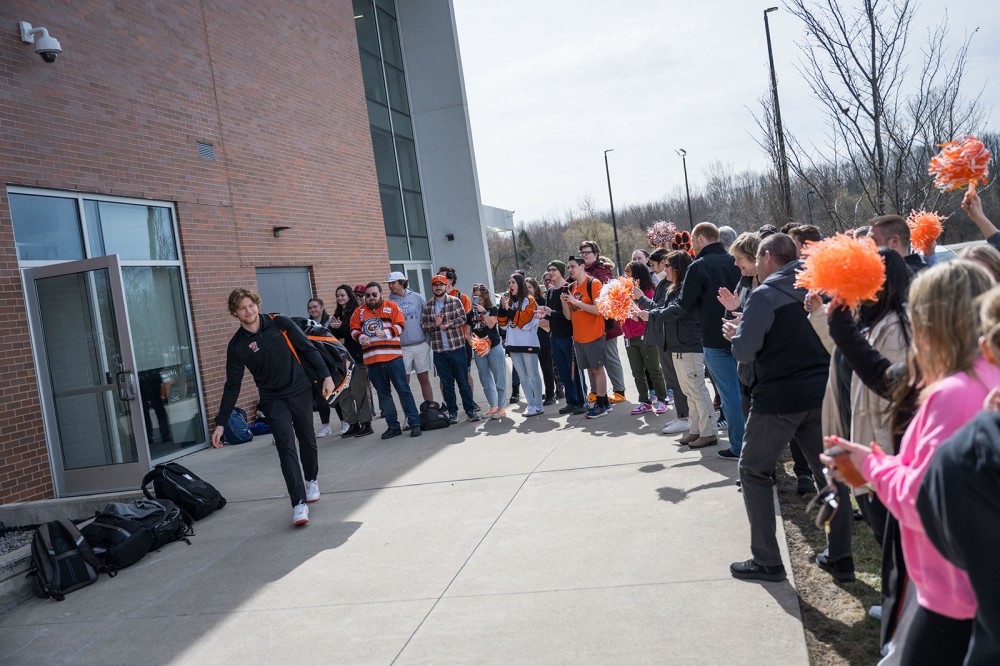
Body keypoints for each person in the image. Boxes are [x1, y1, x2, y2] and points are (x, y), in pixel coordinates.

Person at [822, 260, 997, 665]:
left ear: (930, 320)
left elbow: (927, 499)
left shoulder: (953, 392)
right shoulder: (989, 375)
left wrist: (871, 467)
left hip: (950, 593)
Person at [725, 234, 849, 583]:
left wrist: (735, 334)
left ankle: (766, 560)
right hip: (821, 393)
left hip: (777, 398)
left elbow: (745, 351)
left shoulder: (765, 295)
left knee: (753, 471)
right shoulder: (821, 286)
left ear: (766, 257)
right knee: (830, 474)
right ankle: (841, 556)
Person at [212, 288, 333, 526]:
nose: (249, 311)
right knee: (286, 447)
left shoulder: (279, 323)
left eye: (251, 305)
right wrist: (221, 423)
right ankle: (298, 503)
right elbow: (232, 386)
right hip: (272, 399)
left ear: (257, 304)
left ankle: (311, 480)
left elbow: (307, 348)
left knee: (307, 439)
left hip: (299, 390)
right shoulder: (237, 346)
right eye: (242, 308)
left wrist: (326, 376)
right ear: (235, 313)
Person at [659, 222, 744, 459]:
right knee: (744, 392)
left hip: (714, 339)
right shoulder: (735, 262)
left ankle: (739, 446)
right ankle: (753, 443)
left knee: (729, 396)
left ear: (699, 239)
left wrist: (655, 314)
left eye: (694, 243)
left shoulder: (699, 266)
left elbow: (685, 305)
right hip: (742, 332)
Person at [638, 251, 715, 445]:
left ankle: (709, 432)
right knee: (689, 392)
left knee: (697, 390)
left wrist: (651, 315)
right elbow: (662, 308)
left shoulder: (685, 288)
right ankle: (696, 430)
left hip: (689, 344)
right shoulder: (674, 288)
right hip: (677, 345)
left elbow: (675, 311)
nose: (665, 270)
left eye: (668, 266)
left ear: (677, 267)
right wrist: (645, 313)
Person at [350, 282, 422, 439]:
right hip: (373, 360)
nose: (371, 298)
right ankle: (392, 426)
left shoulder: (392, 306)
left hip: (393, 357)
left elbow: (401, 325)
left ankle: (415, 423)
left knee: (403, 390)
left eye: (374, 294)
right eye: (367, 295)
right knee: (383, 395)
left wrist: (386, 333)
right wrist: (361, 337)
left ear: (380, 294)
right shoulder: (358, 312)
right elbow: (353, 330)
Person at [633, 248, 690, 432]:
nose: (654, 268)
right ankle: (682, 416)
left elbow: (661, 309)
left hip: (671, 336)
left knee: (676, 379)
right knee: (672, 378)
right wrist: (643, 310)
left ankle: (685, 416)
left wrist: (642, 300)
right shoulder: (664, 283)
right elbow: (659, 308)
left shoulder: (671, 284)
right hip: (664, 335)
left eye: (655, 264)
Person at [421, 275, 480, 423]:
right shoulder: (428, 306)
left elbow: (463, 318)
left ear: (446, 286)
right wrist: (436, 324)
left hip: (457, 348)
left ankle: (470, 411)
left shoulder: (455, 301)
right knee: (447, 385)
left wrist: (448, 324)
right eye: (435, 285)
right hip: (439, 352)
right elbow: (424, 325)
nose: (438, 287)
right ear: (432, 287)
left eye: (441, 285)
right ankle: (453, 413)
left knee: (463, 382)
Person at [563, 256, 611, 418]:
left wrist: (576, 303)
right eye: (568, 267)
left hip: (594, 334)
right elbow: (569, 317)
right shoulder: (572, 287)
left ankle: (600, 404)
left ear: (582, 266)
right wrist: (565, 302)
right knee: (592, 370)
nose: (569, 270)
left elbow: (599, 310)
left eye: (572, 266)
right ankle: (604, 403)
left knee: (598, 369)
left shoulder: (594, 283)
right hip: (579, 336)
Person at [579, 240, 627, 403]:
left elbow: (607, 294)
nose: (584, 256)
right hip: (587, 325)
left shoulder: (603, 271)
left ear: (596, 254)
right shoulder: (580, 271)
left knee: (610, 357)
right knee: (592, 361)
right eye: (582, 253)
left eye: (587, 253)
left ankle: (619, 390)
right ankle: (595, 392)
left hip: (606, 323)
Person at [537, 260, 587, 415]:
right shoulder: (550, 292)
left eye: (554, 270)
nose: (551, 273)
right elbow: (551, 315)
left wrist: (551, 312)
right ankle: (571, 401)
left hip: (568, 335)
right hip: (555, 336)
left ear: (561, 271)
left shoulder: (568, 289)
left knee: (574, 371)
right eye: (549, 270)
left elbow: (569, 316)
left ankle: (582, 401)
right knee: (563, 371)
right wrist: (543, 313)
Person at [622, 261, 668, 416]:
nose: (625, 275)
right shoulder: (622, 292)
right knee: (637, 372)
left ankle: (662, 399)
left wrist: (639, 318)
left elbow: (652, 311)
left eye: (628, 272)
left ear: (637, 274)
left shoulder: (648, 291)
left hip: (645, 335)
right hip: (629, 336)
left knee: (654, 369)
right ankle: (644, 401)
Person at [499, 273, 545, 417]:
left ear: (519, 283)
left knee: (533, 375)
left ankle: (538, 405)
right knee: (523, 377)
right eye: (509, 282)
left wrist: (509, 310)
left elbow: (524, 323)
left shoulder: (529, 300)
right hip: (513, 345)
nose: (510, 285)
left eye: (513, 282)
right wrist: (502, 308)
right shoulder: (509, 303)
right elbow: (503, 325)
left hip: (528, 343)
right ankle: (530, 404)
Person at [387, 272, 434, 404]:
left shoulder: (417, 297)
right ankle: (409, 416)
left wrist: (427, 342)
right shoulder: (388, 302)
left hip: (421, 345)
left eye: (393, 283)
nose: (390, 286)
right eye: (389, 284)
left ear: (402, 282)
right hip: (401, 348)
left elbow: (427, 318)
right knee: (404, 384)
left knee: (424, 379)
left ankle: (431, 410)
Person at [306, 296, 347, 438]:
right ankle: (325, 426)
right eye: (310, 307)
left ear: (322, 307)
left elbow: (339, 340)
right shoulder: (307, 325)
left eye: (315, 306)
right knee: (320, 395)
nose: (313, 309)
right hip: (317, 364)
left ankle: (344, 422)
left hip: (333, 363)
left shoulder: (332, 321)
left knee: (335, 392)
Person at [468, 284, 508, 419]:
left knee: (499, 377)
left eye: (480, 296)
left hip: (494, 346)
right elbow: (467, 333)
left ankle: (502, 407)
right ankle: (493, 406)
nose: (477, 298)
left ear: (485, 296)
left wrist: (483, 311)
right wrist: (472, 341)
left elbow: (491, 324)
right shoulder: (470, 313)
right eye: (475, 296)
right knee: (485, 380)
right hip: (479, 349)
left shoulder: (492, 309)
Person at [525, 277, 556, 406]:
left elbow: (548, 320)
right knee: (531, 371)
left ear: (535, 288)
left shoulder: (543, 301)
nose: (527, 290)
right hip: (528, 342)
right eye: (525, 288)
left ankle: (550, 395)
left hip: (543, 339)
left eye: (530, 287)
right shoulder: (522, 303)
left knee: (547, 368)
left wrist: (532, 324)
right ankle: (537, 395)